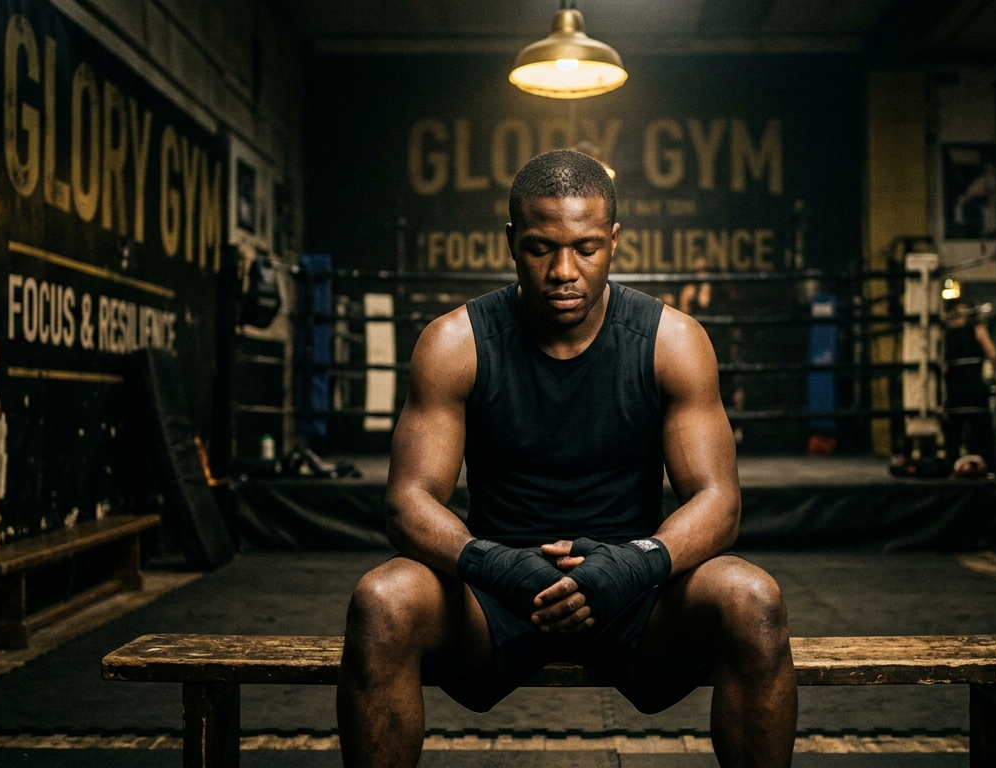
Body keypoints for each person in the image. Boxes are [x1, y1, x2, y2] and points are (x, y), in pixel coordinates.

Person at [337, 150, 796, 767]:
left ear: (614, 241)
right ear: (510, 242)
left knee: (752, 597)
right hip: (495, 594)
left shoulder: (671, 340)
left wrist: (632, 567)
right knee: (381, 600)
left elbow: (719, 502)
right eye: (539, 248)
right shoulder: (455, 342)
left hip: (636, 589)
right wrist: (501, 566)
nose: (562, 270)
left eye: (585, 247)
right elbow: (407, 503)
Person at [942, 299, 996, 472]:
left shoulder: (945, 332)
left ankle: (952, 468)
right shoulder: (975, 329)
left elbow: (942, 366)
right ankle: (991, 468)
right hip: (971, 388)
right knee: (983, 433)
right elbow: (993, 355)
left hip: (957, 390)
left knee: (954, 434)